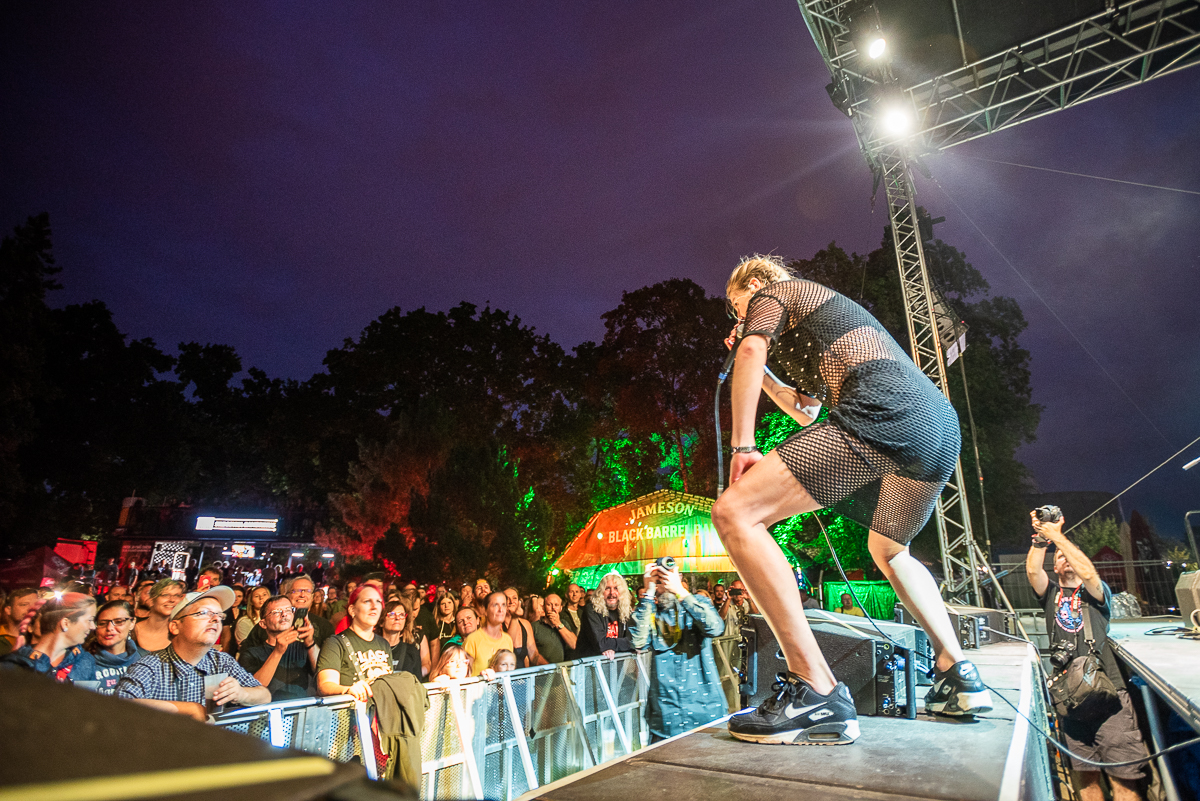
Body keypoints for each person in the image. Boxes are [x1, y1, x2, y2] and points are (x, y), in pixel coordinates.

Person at [712, 256, 991, 746]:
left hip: (885, 410)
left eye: (738, 307)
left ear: (753, 285)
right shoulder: (814, 322)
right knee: (889, 549)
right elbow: (807, 411)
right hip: (935, 425)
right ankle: (957, 672)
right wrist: (767, 376)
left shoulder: (778, 292)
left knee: (734, 512)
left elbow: (754, 346)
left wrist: (743, 446)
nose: (741, 318)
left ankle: (815, 689)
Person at [1026, 511, 1148, 800]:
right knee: (1084, 776)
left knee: (1123, 779)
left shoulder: (1095, 592)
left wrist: (1059, 537)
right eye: (1060, 557)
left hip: (1109, 695)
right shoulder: (1051, 594)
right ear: (1054, 567)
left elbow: (1090, 573)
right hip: (1070, 698)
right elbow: (1032, 571)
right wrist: (1041, 537)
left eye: (1070, 554)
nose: (1065, 559)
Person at [116, 586, 269, 719]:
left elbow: (264, 695)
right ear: (175, 626)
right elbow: (119, 707)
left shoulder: (221, 661)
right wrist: (190, 709)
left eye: (219, 615)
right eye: (203, 613)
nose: (215, 619)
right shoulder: (151, 667)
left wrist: (241, 694)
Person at [630, 563, 726, 741]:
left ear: (679, 578)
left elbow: (715, 627)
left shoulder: (698, 603)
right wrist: (648, 593)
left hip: (705, 713)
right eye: (659, 578)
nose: (664, 583)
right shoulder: (651, 612)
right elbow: (638, 642)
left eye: (668, 576)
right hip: (665, 718)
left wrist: (680, 591)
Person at [316, 584, 393, 701]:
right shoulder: (335, 643)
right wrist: (347, 690)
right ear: (352, 610)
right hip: (352, 710)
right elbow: (325, 685)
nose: (374, 607)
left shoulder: (383, 644)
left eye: (378, 601)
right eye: (367, 601)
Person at [237, 594, 319, 701]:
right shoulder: (251, 654)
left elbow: (321, 674)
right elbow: (253, 688)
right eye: (276, 612)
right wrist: (277, 652)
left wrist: (310, 643)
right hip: (267, 709)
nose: (284, 614)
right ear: (263, 624)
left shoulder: (303, 648)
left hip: (299, 708)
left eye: (288, 610)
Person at [0, 593, 97, 683]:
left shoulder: (84, 662)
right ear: (65, 623)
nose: (93, 627)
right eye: (90, 620)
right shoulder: (14, 666)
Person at [575, 572, 634, 659]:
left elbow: (634, 639)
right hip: (590, 663)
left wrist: (611, 647)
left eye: (616, 588)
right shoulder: (592, 609)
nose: (612, 593)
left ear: (622, 592)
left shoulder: (625, 611)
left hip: (612, 663)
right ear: (601, 592)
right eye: (607, 588)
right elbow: (601, 644)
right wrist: (626, 644)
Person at [89, 600, 143, 693]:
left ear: (132, 623)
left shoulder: (144, 659)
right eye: (102, 623)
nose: (109, 628)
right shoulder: (82, 661)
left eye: (118, 622)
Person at [462, 592, 513, 677]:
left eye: (504, 605)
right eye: (495, 605)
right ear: (485, 611)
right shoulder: (473, 640)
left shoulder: (508, 639)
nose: (500, 610)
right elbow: (464, 675)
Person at [132, 578, 185, 653]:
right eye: (165, 595)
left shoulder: (181, 633)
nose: (172, 600)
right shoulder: (132, 631)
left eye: (176, 595)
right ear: (151, 601)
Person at [378, 599, 423, 679]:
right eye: (392, 614)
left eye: (402, 615)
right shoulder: (372, 650)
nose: (397, 618)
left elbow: (417, 682)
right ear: (381, 622)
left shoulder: (411, 651)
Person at [504, 587, 546, 668]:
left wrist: (551, 667)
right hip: (505, 673)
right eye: (507, 598)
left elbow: (534, 655)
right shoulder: (497, 624)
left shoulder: (525, 624)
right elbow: (507, 649)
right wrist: (514, 617)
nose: (511, 601)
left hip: (523, 673)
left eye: (514, 598)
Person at [533, 593, 576, 664]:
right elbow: (532, 654)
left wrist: (558, 624)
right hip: (543, 668)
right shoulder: (535, 626)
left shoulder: (564, 623)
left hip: (562, 668)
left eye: (556, 605)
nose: (553, 608)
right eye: (549, 605)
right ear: (543, 607)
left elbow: (574, 644)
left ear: (561, 608)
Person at [0, 588, 40, 657]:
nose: (31, 608)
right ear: (8, 610)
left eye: (35, 605)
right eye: (24, 605)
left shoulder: (39, 635)